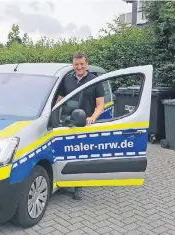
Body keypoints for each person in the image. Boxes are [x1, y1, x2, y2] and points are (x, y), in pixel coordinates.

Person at [56, 52, 105, 200]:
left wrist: (92, 118)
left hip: (83, 123)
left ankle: (78, 186)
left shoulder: (94, 80)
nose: (79, 67)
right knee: (66, 153)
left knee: (80, 155)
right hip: (67, 123)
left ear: (86, 64)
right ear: (73, 64)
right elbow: (60, 100)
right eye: (76, 64)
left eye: (81, 64)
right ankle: (65, 182)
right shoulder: (67, 80)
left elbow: (100, 105)